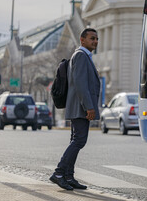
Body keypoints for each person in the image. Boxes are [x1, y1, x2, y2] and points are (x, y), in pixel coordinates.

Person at [50, 28, 100, 191]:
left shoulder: (84, 56)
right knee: (79, 140)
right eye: (92, 38)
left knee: (76, 140)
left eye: (97, 39)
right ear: (82, 40)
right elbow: (80, 84)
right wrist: (89, 107)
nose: (95, 41)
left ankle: (68, 176)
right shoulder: (80, 55)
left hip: (80, 107)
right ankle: (59, 173)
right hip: (80, 108)